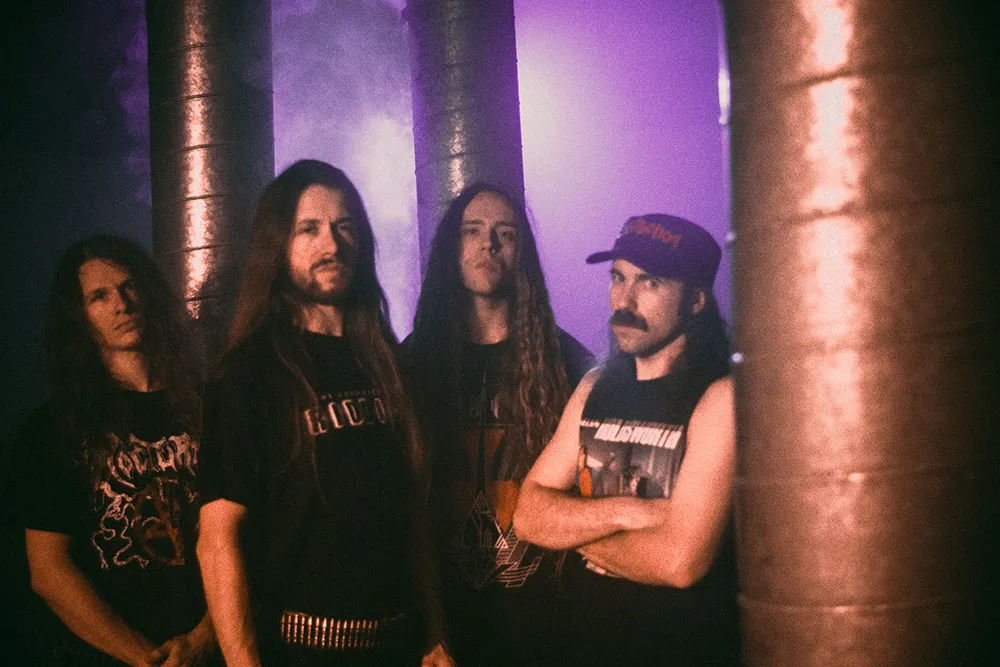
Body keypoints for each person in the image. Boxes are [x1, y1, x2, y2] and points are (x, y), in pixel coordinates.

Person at [196, 160, 450, 667]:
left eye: (344, 226)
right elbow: (218, 539)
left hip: (400, 647)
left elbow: (414, 516)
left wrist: (437, 636)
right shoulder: (250, 373)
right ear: (277, 245)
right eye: (308, 229)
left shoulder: (387, 362)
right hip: (299, 650)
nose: (332, 245)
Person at [514, 214, 740, 666]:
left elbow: (680, 562)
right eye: (618, 277)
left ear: (696, 300)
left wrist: (570, 531)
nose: (625, 299)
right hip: (585, 647)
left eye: (650, 283)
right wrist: (628, 512)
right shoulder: (594, 387)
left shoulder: (721, 396)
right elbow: (527, 516)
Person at [405, 184, 594, 665]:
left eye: (504, 233)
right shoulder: (412, 363)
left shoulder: (567, 363)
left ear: (521, 251)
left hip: (546, 626)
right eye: (472, 231)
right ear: (451, 247)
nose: (488, 244)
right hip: (440, 626)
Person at [14, 234, 214, 666]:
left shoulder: (211, 408)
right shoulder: (55, 429)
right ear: (79, 316)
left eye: (129, 286)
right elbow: (48, 571)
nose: (122, 305)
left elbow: (249, 538)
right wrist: (143, 657)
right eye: (99, 296)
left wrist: (202, 641)